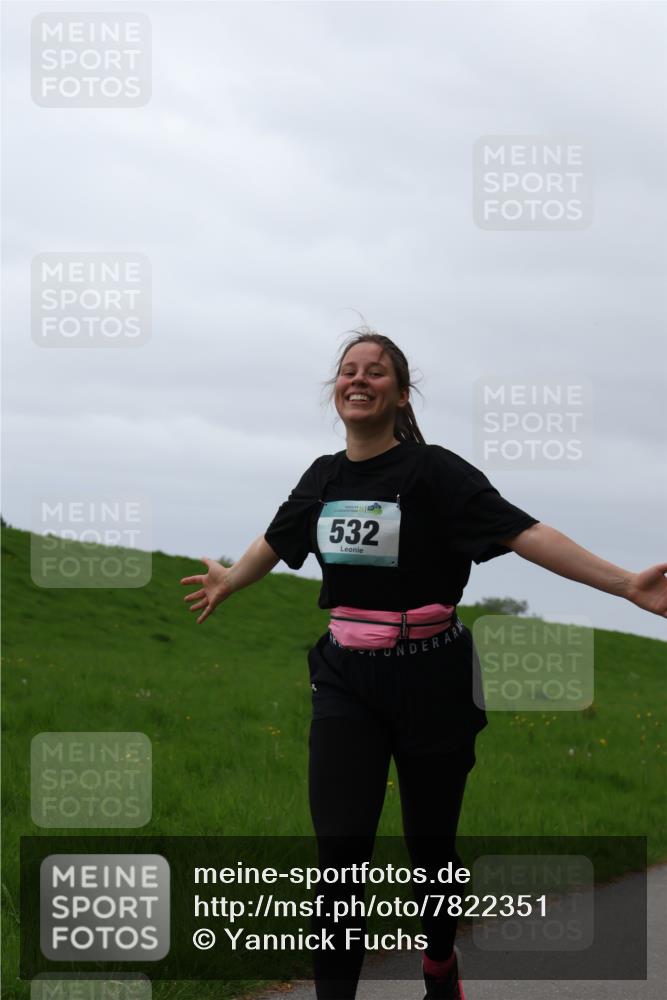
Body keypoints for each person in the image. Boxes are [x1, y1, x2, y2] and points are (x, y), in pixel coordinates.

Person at [181, 329, 667, 1000]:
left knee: (430, 848)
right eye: (348, 370)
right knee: (339, 857)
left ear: (399, 394)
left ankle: (439, 960)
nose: (358, 379)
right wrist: (231, 580)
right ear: (335, 390)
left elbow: (524, 533)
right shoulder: (323, 478)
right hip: (346, 678)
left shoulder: (434, 471)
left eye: (375, 371)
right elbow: (276, 538)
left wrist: (624, 585)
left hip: (433, 675)